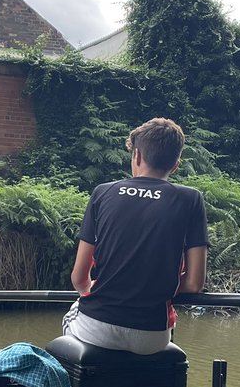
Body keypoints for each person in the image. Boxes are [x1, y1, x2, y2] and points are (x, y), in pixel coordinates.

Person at [63, 117, 209, 355]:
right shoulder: (191, 199)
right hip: (153, 336)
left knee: (72, 316)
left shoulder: (103, 192)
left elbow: (79, 278)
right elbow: (194, 283)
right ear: (175, 165)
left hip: (97, 329)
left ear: (137, 156)